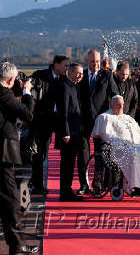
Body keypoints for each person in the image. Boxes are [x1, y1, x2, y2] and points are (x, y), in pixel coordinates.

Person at [92, 96, 140, 197]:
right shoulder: (104, 117)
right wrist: (123, 143)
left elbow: (139, 133)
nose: (121, 106)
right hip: (118, 148)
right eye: (118, 104)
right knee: (134, 155)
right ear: (111, 104)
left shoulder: (128, 118)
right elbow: (106, 135)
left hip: (136, 146)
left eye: (122, 104)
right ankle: (137, 186)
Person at [0, 62, 38, 254]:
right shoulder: (4, 94)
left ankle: (16, 243)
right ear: (11, 79)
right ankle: (17, 246)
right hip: (3, 154)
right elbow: (28, 114)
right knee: (12, 200)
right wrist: (28, 93)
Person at [77, 50, 119, 195]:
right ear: (87, 61)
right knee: (83, 154)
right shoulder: (80, 75)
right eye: (92, 62)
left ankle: (97, 182)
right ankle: (84, 184)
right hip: (83, 121)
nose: (95, 65)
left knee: (100, 153)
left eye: (97, 61)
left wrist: (116, 112)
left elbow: (115, 94)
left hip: (101, 122)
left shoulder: (106, 75)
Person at [30, 55, 68, 195]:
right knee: (38, 154)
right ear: (56, 65)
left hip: (55, 121)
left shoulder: (63, 79)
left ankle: (36, 181)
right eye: (65, 65)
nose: (66, 68)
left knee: (44, 153)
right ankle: (37, 184)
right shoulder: (40, 76)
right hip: (41, 121)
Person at [54, 63, 84, 201]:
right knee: (67, 163)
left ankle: (67, 190)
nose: (80, 76)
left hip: (74, 131)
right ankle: (65, 192)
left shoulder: (72, 86)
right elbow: (63, 112)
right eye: (78, 73)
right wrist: (65, 132)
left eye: (82, 73)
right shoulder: (65, 87)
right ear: (70, 72)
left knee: (70, 163)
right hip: (68, 133)